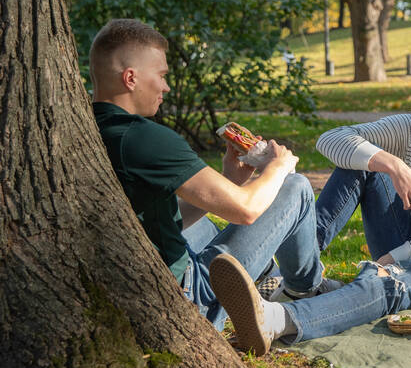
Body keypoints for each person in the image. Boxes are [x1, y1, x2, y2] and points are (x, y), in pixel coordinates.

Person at [210, 39, 411, 355]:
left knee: (391, 281)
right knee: (364, 162)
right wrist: (392, 163)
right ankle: (300, 282)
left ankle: (280, 319)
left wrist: (394, 259)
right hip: (410, 235)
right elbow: (332, 139)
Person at [90, 19, 336, 332]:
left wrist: (230, 180)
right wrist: (278, 167)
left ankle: (268, 283)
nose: (166, 87)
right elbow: (245, 210)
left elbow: (155, 217)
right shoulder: (145, 138)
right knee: (296, 187)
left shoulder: (92, 127)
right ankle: (302, 290)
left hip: (144, 278)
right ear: (130, 78)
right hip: (191, 297)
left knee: (203, 224)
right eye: (162, 76)